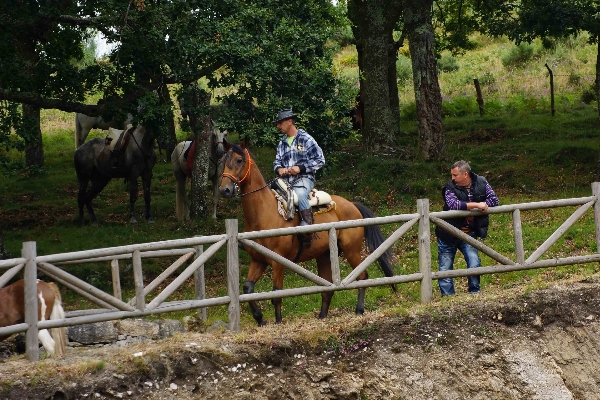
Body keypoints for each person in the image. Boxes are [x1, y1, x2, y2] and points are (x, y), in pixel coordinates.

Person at [435, 160, 499, 296]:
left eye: (455, 175)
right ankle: (448, 298)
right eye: (452, 175)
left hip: (469, 233)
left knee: (474, 263)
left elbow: (494, 200)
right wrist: (477, 206)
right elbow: (454, 204)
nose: (452, 178)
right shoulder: (449, 187)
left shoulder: (481, 182)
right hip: (448, 234)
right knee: (445, 268)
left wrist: (481, 205)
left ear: (465, 174)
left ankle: (474, 293)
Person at [272, 108, 325, 248]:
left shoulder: (306, 139)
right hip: (285, 181)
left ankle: (307, 228)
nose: (278, 126)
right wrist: (279, 169)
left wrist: (300, 168)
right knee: (269, 193)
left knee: (300, 194)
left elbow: (320, 160)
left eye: (280, 122)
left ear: (289, 121)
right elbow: (276, 162)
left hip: (304, 179)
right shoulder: (281, 143)